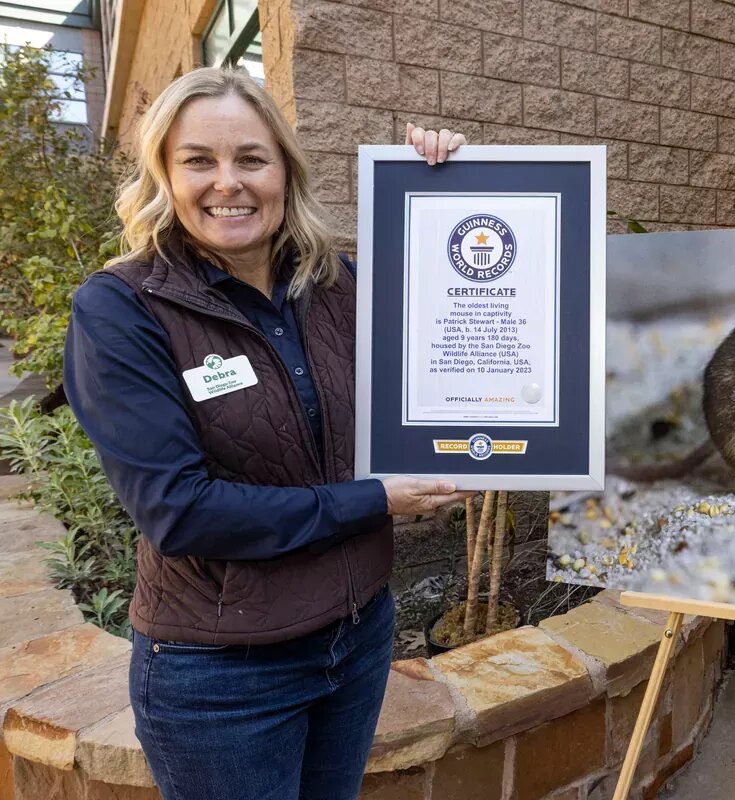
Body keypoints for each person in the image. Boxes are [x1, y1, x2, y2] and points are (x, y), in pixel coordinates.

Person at [62, 66, 470, 800]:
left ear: (284, 169)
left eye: (251, 158)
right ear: (164, 174)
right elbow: (179, 510)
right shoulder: (121, 311)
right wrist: (374, 500)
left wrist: (442, 184)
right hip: (224, 673)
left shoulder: (338, 285)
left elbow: (458, 316)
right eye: (199, 161)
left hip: (358, 635)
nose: (229, 182)